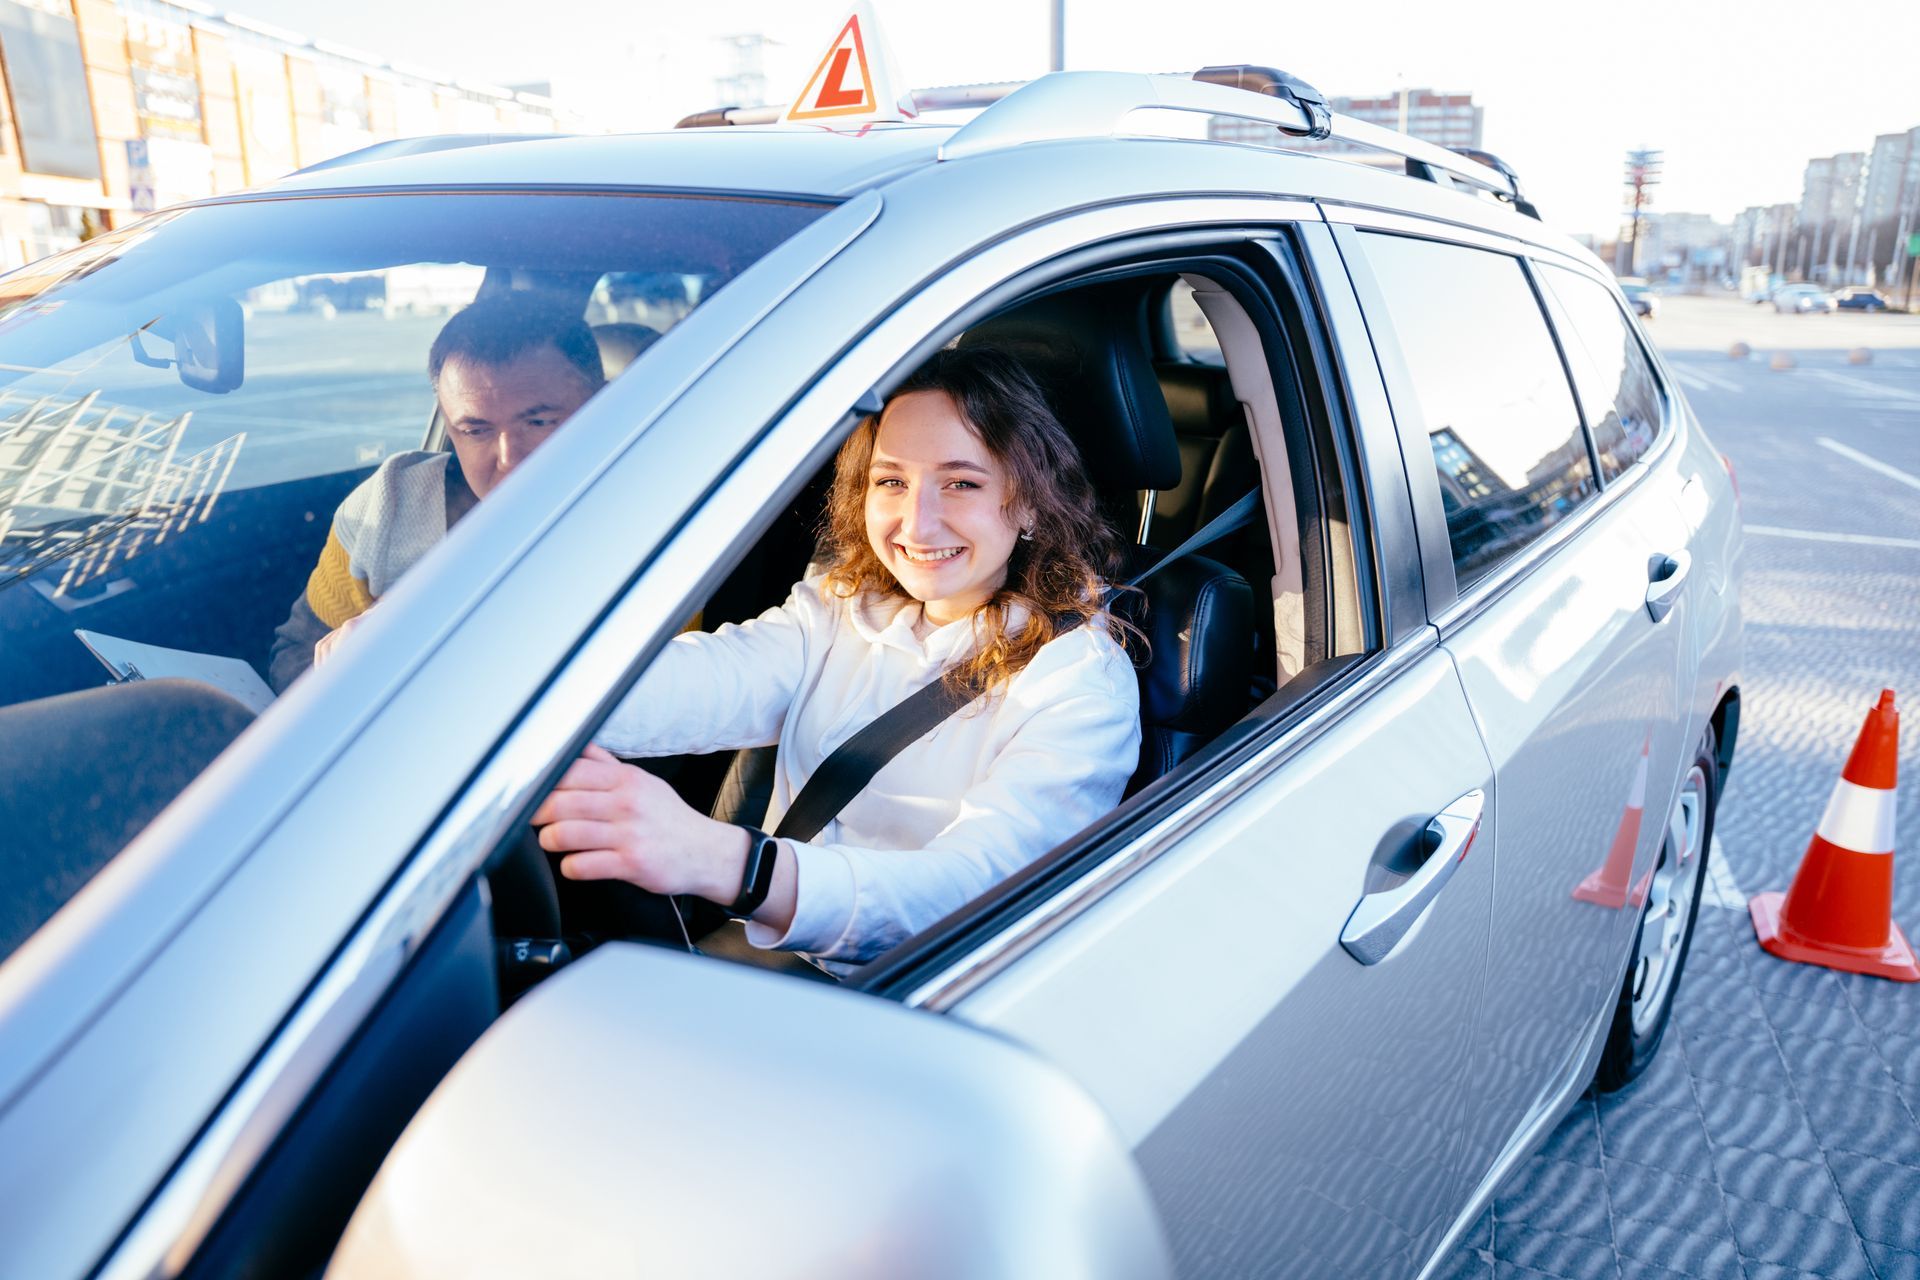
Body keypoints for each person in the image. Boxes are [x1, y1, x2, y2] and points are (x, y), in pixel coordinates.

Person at [533, 346, 1143, 969]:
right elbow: (698, 683)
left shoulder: (1078, 681)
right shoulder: (840, 605)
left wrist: (725, 862)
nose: (917, 523)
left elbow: (975, 894)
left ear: (1032, 503)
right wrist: (520, 699)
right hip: (772, 954)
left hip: (923, 994)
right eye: (892, 481)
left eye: (961, 483)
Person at [268, 293, 607, 690]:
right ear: (449, 428)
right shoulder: (388, 507)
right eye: (476, 430)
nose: (509, 458)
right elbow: (295, 656)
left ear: (604, 405)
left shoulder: (669, 508)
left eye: (540, 422)